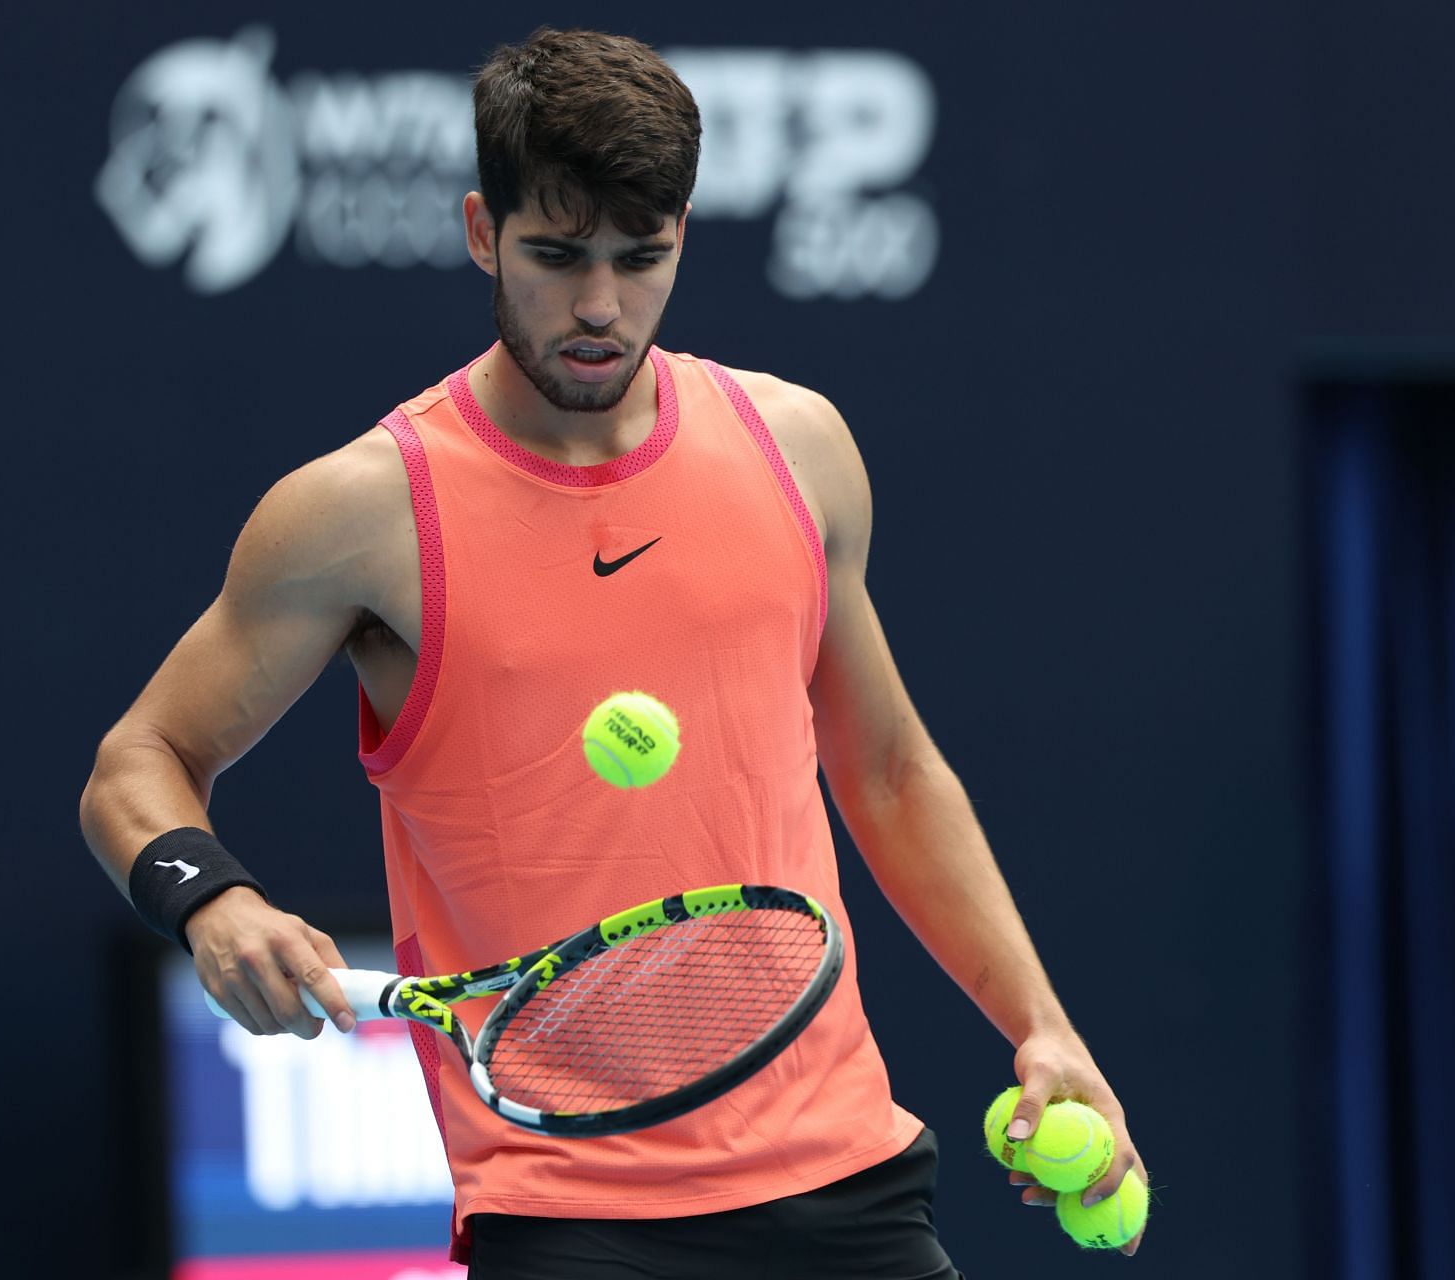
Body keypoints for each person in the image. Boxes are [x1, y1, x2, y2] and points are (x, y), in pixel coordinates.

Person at [79, 26, 1147, 1276]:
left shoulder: (797, 448)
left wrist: (1041, 1024)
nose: (599, 305)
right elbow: (136, 762)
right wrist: (215, 901)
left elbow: (892, 774)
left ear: (684, 234)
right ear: (483, 231)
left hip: (844, 1173)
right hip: (570, 1209)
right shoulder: (364, 514)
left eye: (641, 258)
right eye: (555, 255)